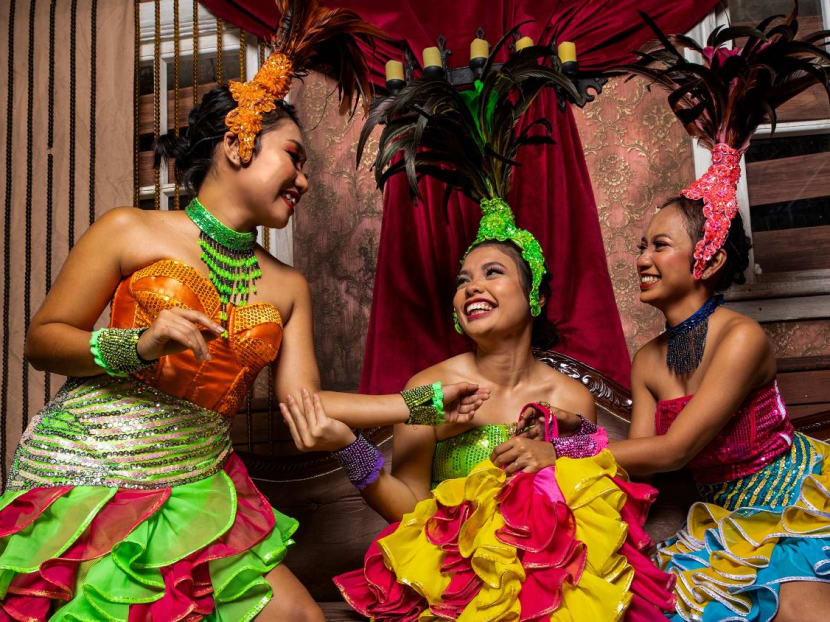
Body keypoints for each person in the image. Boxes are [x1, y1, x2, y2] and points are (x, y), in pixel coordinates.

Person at [0, 2, 487, 620]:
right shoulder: (129, 230)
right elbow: (41, 341)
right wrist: (136, 344)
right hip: (93, 468)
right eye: (294, 156)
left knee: (303, 617)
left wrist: (426, 403)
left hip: (198, 482)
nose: (304, 180)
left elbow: (306, 406)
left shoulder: (288, 287)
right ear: (238, 144)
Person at [282, 36, 677, 620]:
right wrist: (351, 448)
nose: (471, 288)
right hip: (451, 584)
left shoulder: (569, 398)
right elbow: (408, 508)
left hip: (546, 589)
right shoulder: (428, 387)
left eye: (493, 273)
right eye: (463, 280)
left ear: (534, 295)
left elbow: (589, 514)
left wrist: (562, 451)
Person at [563, 9, 830, 621]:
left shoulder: (741, 338)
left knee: (800, 609)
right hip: (722, 518)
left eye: (659, 246)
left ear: (704, 262)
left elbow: (675, 449)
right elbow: (643, 457)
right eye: (640, 246)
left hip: (792, 501)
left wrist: (566, 452)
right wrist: (570, 436)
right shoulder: (649, 360)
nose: (641, 259)